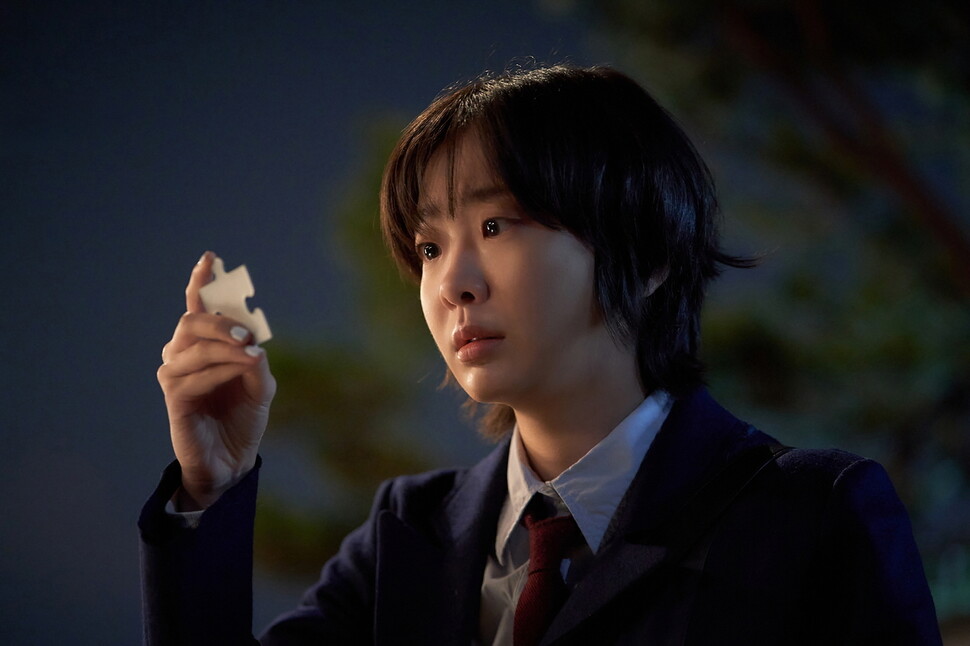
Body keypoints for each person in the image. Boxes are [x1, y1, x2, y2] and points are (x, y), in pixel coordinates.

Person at [141, 64, 942, 645]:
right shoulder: (407, 535)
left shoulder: (807, 516)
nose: (452, 283)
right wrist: (213, 485)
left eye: (496, 226)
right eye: (428, 246)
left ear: (647, 250)